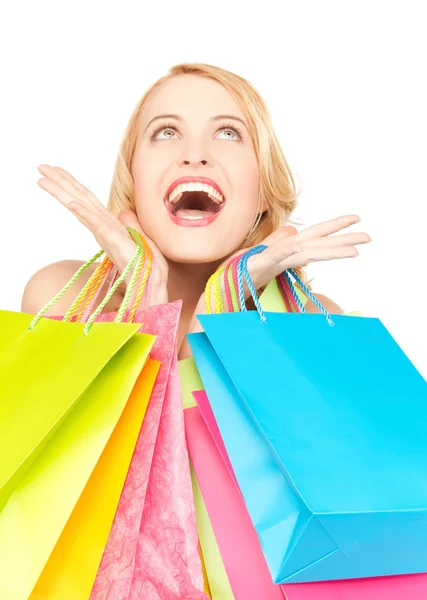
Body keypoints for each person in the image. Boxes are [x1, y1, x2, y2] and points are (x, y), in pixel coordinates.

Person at [21, 62, 371, 357]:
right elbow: (140, 436)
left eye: (229, 133)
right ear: (134, 180)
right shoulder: (62, 300)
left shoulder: (311, 324)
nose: (194, 153)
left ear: (264, 190)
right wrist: (147, 297)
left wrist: (224, 297)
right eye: (167, 132)